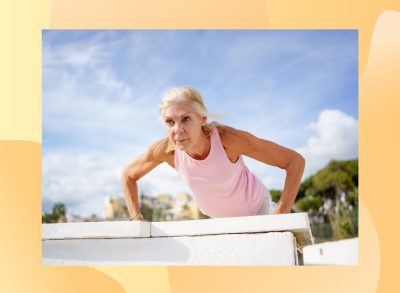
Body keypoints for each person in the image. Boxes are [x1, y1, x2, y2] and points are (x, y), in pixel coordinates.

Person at [121, 86, 305, 221]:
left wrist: (281, 214)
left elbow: (294, 161)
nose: (178, 129)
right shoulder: (166, 151)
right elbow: (128, 175)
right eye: (170, 122)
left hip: (257, 211)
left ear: (202, 119)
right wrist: (135, 217)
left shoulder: (228, 140)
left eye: (186, 119)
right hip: (218, 220)